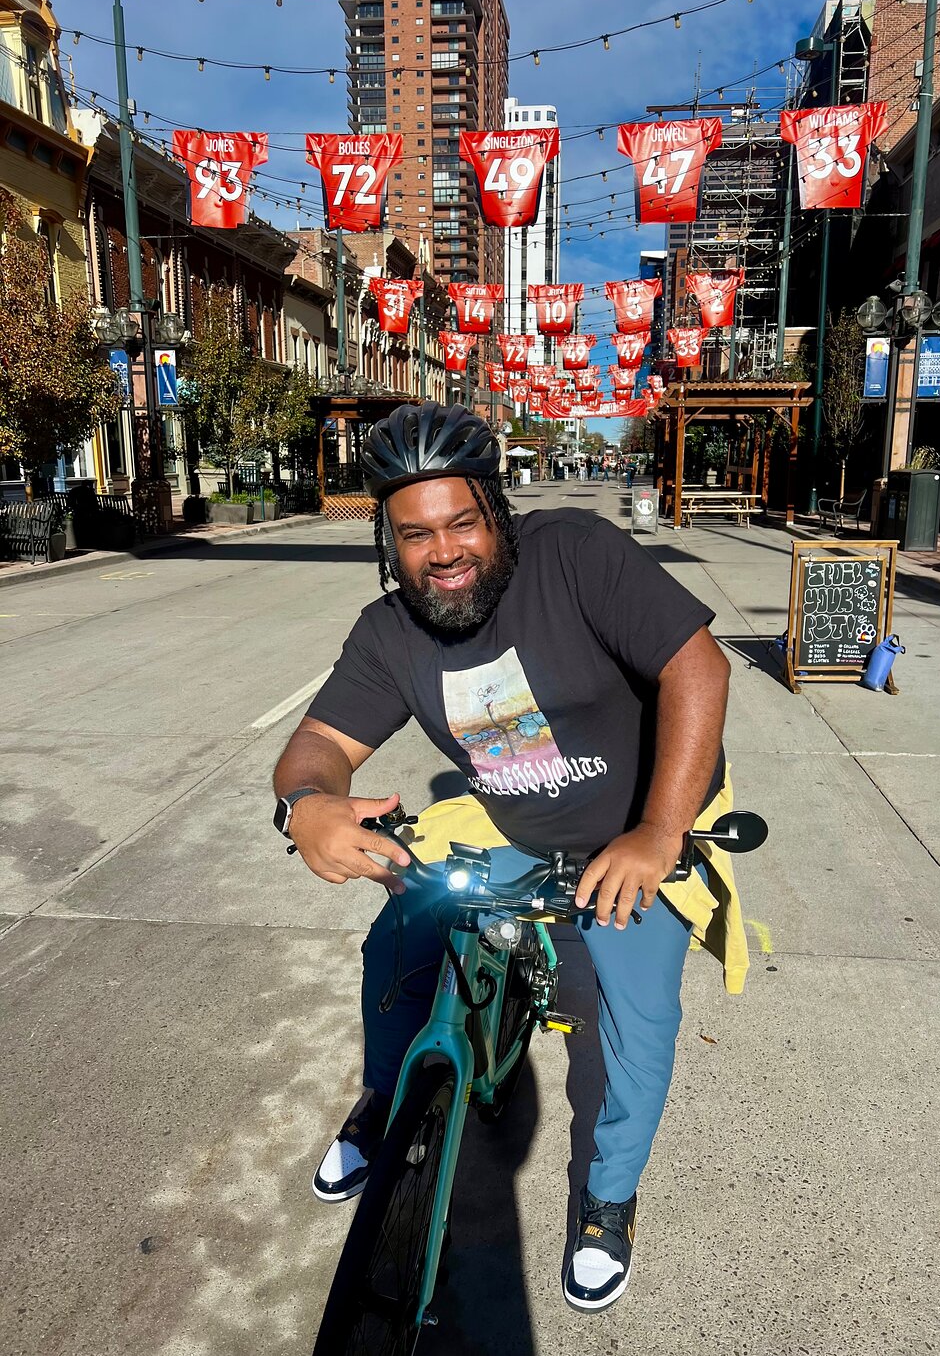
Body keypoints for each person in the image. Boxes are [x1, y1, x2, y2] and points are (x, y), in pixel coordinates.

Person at [273, 402, 734, 1314]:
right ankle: (385, 1096)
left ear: (497, 511)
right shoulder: (389, 631)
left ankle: (607, 1194)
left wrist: (658, 831)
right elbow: (317, 744)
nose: (443, 552)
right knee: (400, 937)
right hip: (516, 827)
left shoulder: (575, 555)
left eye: (462, 523)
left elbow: (699, 667)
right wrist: (308, 804)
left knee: (631, 1019)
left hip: (641, 825)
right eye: (415, 534)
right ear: (388, 540)